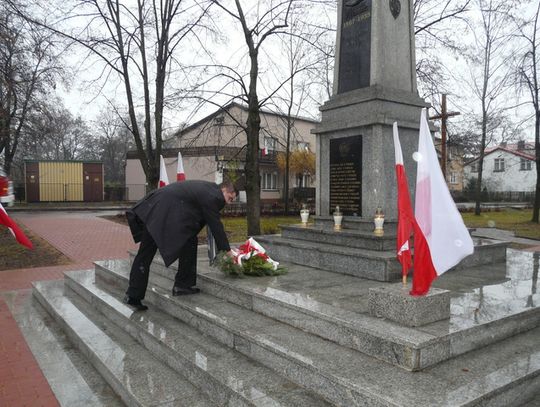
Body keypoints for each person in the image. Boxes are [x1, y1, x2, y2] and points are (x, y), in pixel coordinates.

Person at [124, 180, 237, 311]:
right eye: (230, 198)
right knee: (147, 253)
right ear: (224, 190)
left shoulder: (209, 189)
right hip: (163, 212)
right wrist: (227, 251)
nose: (229, 203)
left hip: (157, 206)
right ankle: (135, 295)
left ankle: (181, 285)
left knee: (187, 241)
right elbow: (216, 225)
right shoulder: (214, 196)